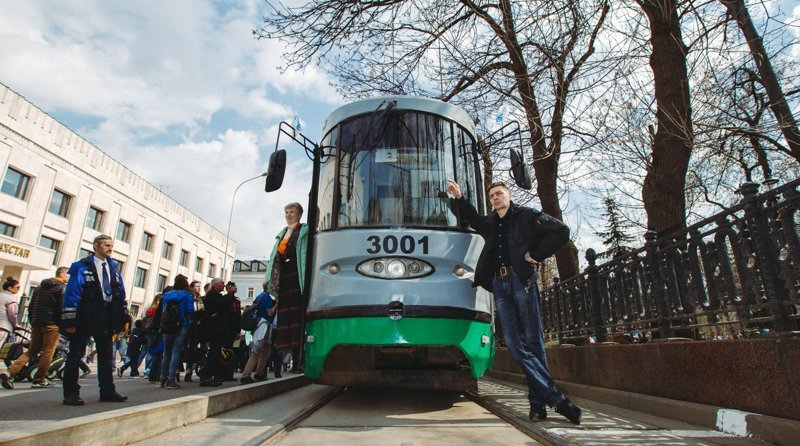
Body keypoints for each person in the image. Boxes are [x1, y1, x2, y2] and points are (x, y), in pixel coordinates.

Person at [447, 180, 582, 425]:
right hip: (499, 285)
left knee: (533, 341)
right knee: (512, 342)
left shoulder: (527, 216)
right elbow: (473, 218)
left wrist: (537, 254)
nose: (495, 198)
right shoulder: (490, 223)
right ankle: (558, 400)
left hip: (522, 281)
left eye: (499, 194)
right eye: (492, 196)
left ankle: (538, 405)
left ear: (509, 196)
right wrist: (459, 197)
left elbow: (561, 231)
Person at [60, 234, 130, 406]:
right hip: (86, 315)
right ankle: (70, 393)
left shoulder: (113, 267)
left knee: (106, 356)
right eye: (106, 245)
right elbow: (72, 293)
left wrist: (122, 317)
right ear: (96, 246)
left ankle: (107, 391)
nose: (110, 248)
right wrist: (69, 321)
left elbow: (120, 292)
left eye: (111, 245)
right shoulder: (81, 267)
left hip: (106, 317)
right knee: (75, 355)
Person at [1, 267, 68, 389]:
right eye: (68, 275)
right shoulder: (62, 288)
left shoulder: (39, 288)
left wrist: (33, 321)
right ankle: (39, 379)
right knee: (48, 352)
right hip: (52, 324)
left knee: (32, 351)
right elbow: (62, 308)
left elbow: (31, 306)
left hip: (37, 323)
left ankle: (9, 372)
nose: (69, 277)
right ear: (62, 275)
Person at [265, 202, 308, 373]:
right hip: (284, 280)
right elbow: (273, 258)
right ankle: (280, 365)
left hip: (298, 278)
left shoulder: (304, 231)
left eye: (292, 212)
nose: (289, 215)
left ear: (299, 214)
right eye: (287, 212)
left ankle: (299, 361)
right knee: (286, 322)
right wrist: (269, 278)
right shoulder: (282, 234)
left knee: (298, 321)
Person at [158, 275, 194, 389]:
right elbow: (190, 310)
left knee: (166, 352)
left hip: (167, 325)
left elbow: (163, 310)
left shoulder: (166, 295)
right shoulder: (188, 295)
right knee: (176, 351)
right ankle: (171, 380)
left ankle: (162, 379)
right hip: (181, 325)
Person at [240, 282, 277, 384]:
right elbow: (269, 312)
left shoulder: (259, 296)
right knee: (257, 352)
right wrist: (277, 304)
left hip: (258, 324)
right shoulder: (267, 298)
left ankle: (259, 373)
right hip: (264, 325)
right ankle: (246, 375)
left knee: (263, 351)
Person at [198, 278, 228, 387]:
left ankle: (210, 376)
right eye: (222, 284)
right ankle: (206, 376)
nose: (224, 286)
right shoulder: (212, 295)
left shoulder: (215, 295)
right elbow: (222, 305)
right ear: (216, 285)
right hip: (214, 329)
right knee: (213, 353)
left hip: (217, 328)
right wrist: (229, 294)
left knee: (215, 353)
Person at [0, 277, 20, 349]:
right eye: (17, 287)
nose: (18, 289)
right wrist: (15, 325)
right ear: (10, 288)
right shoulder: (11, 299)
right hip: (3, 326)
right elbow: (13, 315)